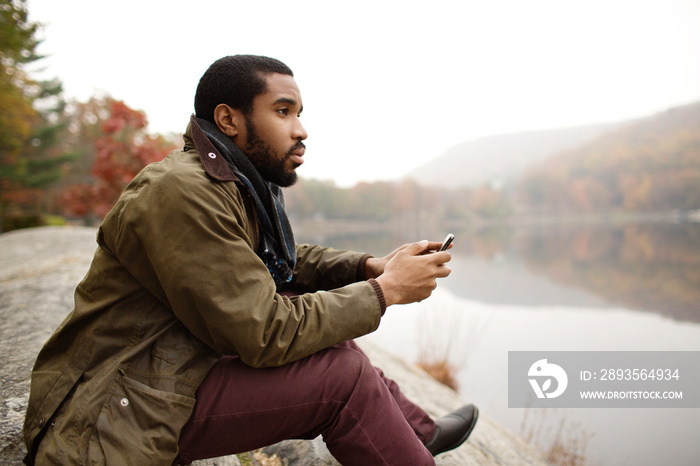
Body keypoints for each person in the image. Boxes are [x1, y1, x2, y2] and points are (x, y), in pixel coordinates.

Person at [22, 55, 478, 465]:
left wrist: (367, 267)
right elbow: (265, 331)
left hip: (168, 368)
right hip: (113, 409)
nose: (300, 129)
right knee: (340, 377)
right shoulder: (181, 191)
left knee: (318, 324)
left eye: (299, 114)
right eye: (283, 112)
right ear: (229, 120)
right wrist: (387, 291)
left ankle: (418, 434)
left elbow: (277, 262)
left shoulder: (230, 182)